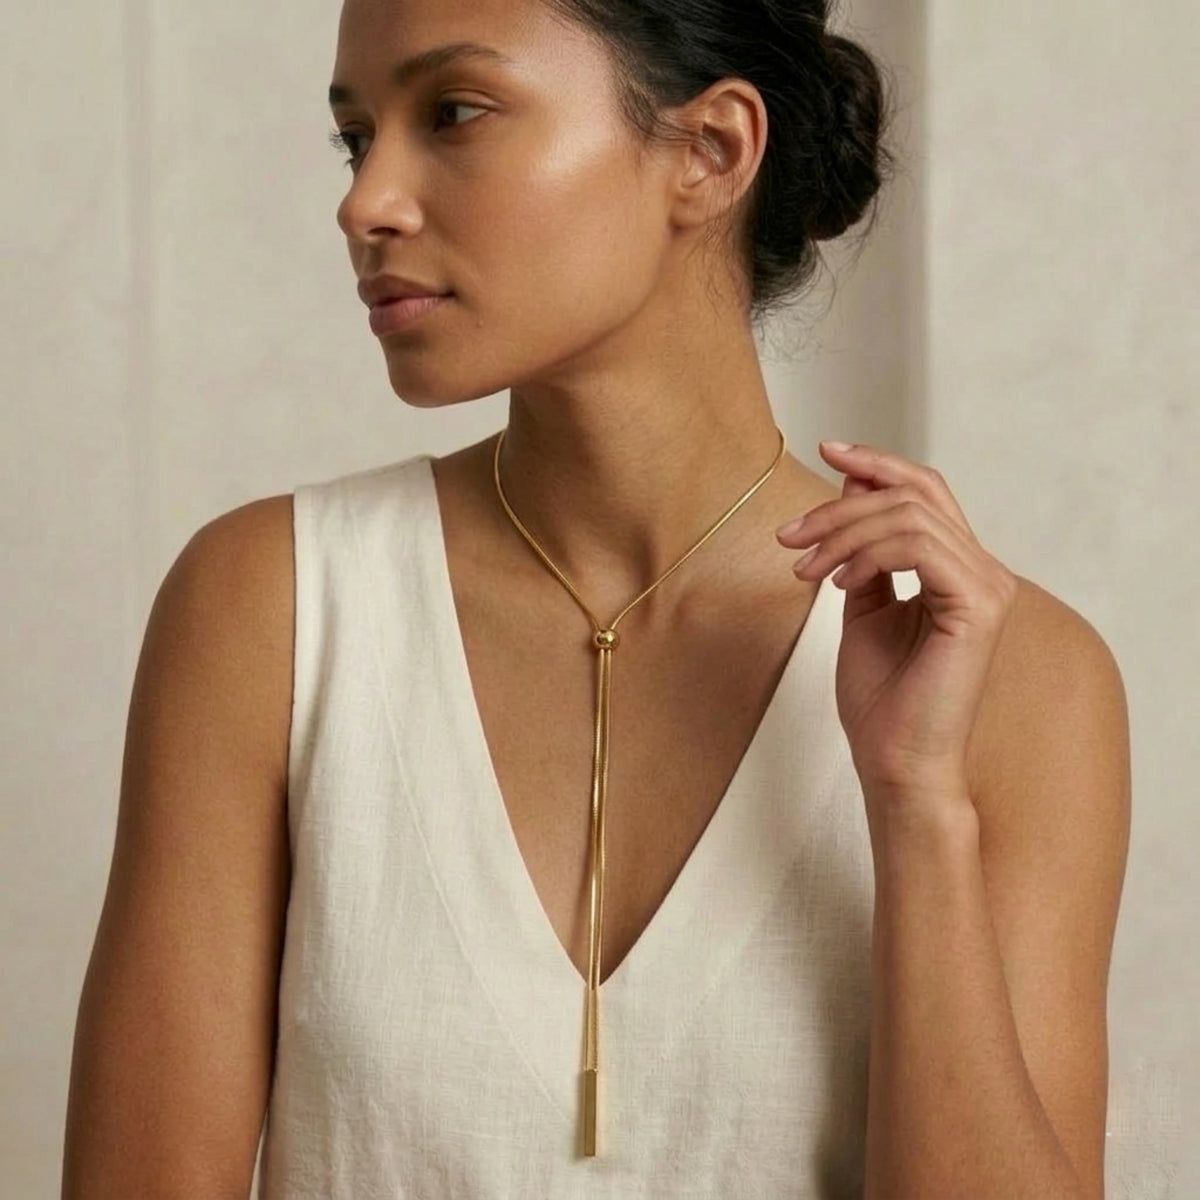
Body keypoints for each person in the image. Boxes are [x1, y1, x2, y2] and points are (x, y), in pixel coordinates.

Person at [61, 1, 1131, 1197]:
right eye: (358, 138)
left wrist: (917, 805)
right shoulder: (276, 610)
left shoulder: (1013, 677)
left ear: (710, 151)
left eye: (454, 113)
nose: (366, 203)